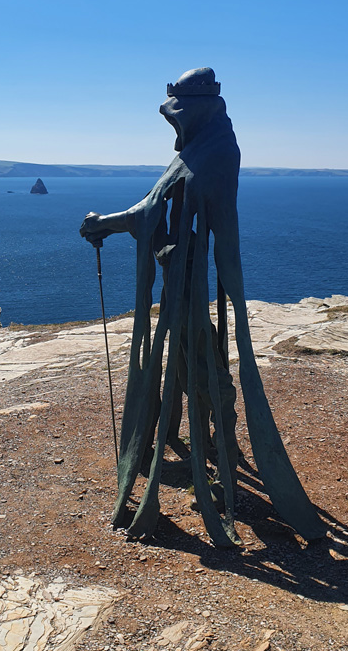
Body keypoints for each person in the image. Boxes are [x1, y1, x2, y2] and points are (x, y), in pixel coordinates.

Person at [80, 68, 324, 546]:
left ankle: (218, 458)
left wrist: (105, 224)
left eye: (176, 115)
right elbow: (155, 204)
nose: (173, 127)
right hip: (179, 281)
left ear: (198, 110)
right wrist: (109, 224)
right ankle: (211, 448)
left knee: (204, 368)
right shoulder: (198, 150)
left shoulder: (214, 153)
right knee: (192, 366)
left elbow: (152, 212)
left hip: (188, 288)